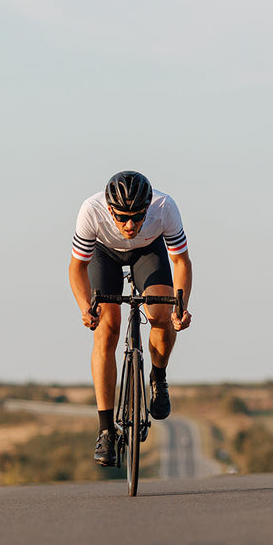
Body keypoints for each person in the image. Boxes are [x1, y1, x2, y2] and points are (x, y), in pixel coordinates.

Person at [69, 170, 192, 466]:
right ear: (109, 209)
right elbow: (77, 268)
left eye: (137, 216)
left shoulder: (165, 208)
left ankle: (158, 377)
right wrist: (85, 306)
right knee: (107, 330)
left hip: (149, 252)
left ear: (148, 207)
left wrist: (181, 306)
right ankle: (106, 430)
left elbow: (180, 261)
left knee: (160, 313)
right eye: (122, 217)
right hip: (105, 255)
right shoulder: (91, 210)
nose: (129, 224)